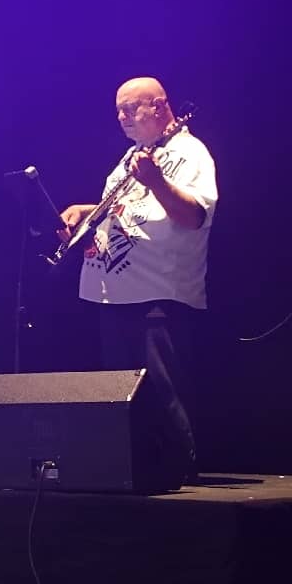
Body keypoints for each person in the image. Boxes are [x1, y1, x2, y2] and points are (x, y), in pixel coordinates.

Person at [58, 76, 215, 485]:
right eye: (118, 112)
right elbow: (129, 205)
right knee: (123, 396)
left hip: (158, 292)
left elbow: (194, 215)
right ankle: (136, 472)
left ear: (160, 106)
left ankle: (180, 477)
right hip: (115, 293)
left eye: (132, 109)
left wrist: (156, 180)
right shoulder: (133, 155)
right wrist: (86, 212)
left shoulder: (189, 152)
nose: (123, 117)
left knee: (163, 393)